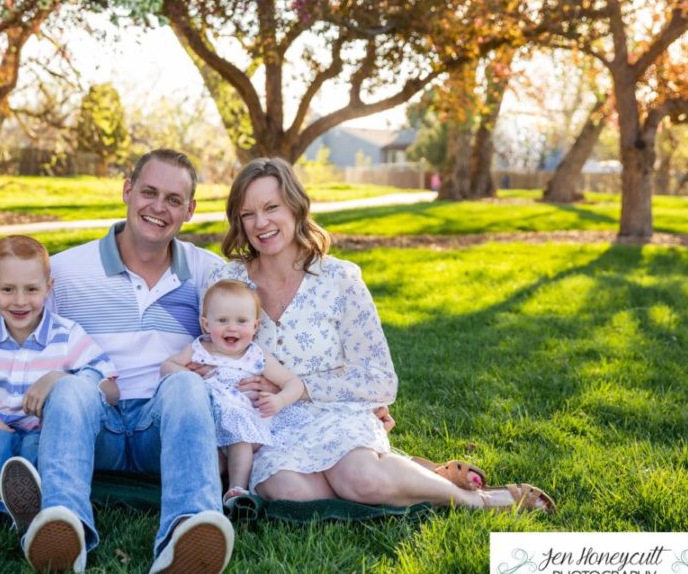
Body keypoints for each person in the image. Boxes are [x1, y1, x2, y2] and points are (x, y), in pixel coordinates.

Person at [210, 157, 556, 514]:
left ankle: (479, 500)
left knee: (360, 479)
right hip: (270, 425)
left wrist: (297, 387)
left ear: (296, 207)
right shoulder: (227, 281)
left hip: (335, 413)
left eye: (271, 207)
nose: (260, 223)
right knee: (286, 492)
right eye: (248, 213)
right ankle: (422, 473)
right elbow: (205, 353)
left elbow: (380, 380)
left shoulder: (340, 280)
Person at [0, 150, 235, 574]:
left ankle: (188, 528)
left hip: (161, 428)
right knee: (69, 386)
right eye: (148, 192)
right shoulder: (69, 271)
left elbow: (259, 333)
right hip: (93, 423)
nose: (158, 208)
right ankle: (62, 525)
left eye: (173, 199)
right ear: (127, 191)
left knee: (186, 386)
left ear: (190, 210)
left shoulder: (208, 273)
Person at [0, 235, 118, 536]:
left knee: (36, 449)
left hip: (44, 431)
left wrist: (65, 379)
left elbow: (111, 388)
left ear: (49, 288)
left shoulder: (67, 335)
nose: (20, 301)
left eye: (32, 289)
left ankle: (24, 507)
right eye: (8, 289)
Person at [160, 278, 305, 507]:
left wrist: (279, 400)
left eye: (241, 321)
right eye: (222, 320)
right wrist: (194, 377)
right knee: (206, 457)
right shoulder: (199, 349)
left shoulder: (256, 356)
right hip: (208, 426)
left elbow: (293, 383)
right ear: (206, 325)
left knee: (239, 441)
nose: (232, 327)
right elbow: (168, 366)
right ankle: (202, 492)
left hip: (246, 425)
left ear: (255, 326)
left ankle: (236, 489)